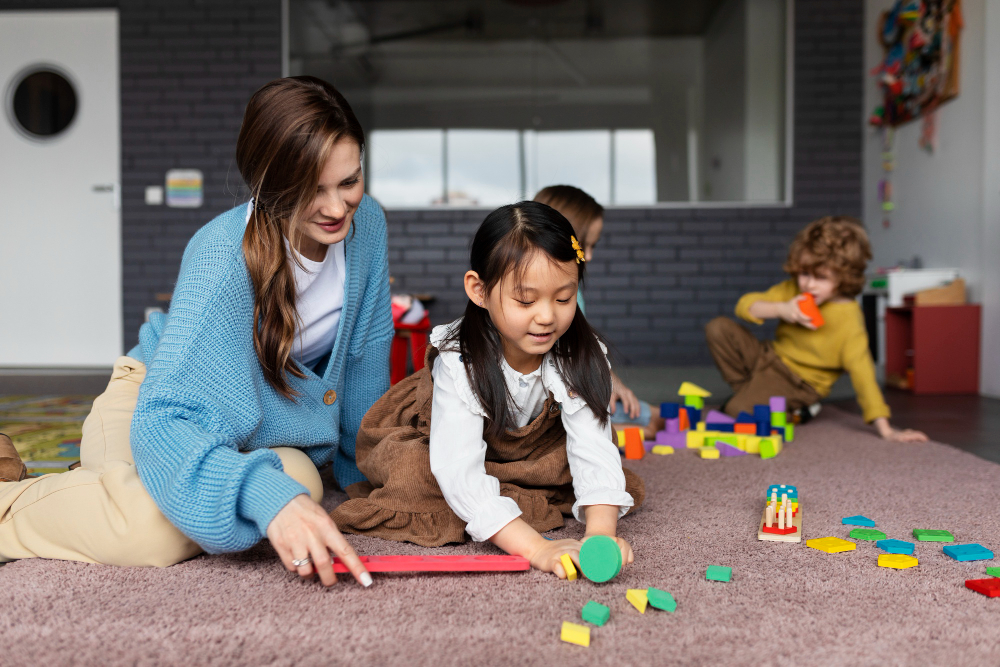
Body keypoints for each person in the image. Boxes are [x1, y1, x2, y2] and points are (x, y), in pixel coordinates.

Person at [0, 76, 391, 586]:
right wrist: (261, 497)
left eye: (349, 181)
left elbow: (363, 361)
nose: (338, 208)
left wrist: (364, 482)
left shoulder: (370, 228)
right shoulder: (222, 258)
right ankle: (11, 502)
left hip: (257, 433)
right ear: (268, 184)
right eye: (312, 190)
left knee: (297, 484)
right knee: (148, 530)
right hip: (154, 404)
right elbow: (166, 420)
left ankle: (99, 487)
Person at [331, 201, 644, 578]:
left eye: (564, 298)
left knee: (583, 468)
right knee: (417, 473)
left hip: (531, 449)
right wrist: (538, 548)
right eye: (526, 300)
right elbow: (457, 468)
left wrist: (600, 536)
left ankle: (504, 493)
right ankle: (507, 504)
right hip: (442, 440)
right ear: (479, 290)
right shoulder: (461, 359)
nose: (547, 316)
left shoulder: (578, 351)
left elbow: (593, 449)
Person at [705, 215, 928, 442]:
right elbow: (745, 306)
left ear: (843, 277)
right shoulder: (794, 291)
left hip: (799, 383)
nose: (808, 284)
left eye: (820, 277)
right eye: (804, 273)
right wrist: (781, 309)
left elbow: (864, 374)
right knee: (718, 328)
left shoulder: (848, 318)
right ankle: (761, 399)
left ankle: (768, 402)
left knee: (734, 412)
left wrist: (886, 429)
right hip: (769, 357)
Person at [533, 185, 664, 439]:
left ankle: (616, 429)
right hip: (551, 398)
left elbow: (580, 345)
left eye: (592, 246)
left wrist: (611, 379)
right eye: (583, 246)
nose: (589, 256)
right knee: (649, 422)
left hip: (575, 386)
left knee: (655, 416)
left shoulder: (573, 291)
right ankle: (612, 432)